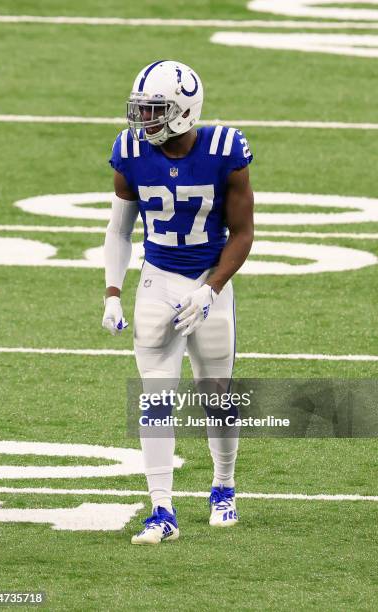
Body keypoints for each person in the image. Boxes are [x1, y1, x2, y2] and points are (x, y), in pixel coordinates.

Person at [102, 60, 254, 545]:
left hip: (209, 280)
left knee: (218, 397)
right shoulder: (129, 151)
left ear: (184, 111)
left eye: (155, 110)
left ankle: (224, 487)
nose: (143, 120)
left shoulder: (226, 150)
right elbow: (119, 229)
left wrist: (211, 289)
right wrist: (111, 291)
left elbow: (243, 233)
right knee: (156, 399)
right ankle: (161, 509)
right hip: (158, 280)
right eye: (143, 109)